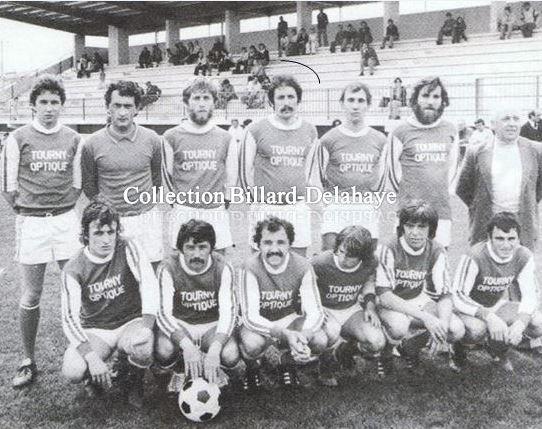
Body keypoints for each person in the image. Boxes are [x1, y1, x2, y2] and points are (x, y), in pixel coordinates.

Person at [1, 75, 83, 388]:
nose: (49, 108)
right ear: (32, 105)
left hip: (65, 221)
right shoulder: (18, 138)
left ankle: (82, 350)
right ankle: (27, 359)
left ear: (62, 105)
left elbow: (77, 184)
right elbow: (9, 188)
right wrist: (27, 210)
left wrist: (63, 206)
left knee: (76, 288)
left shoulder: (74, 138)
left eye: (54, 102)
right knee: (32, 293)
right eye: (43, 102)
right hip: (32, 223)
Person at [61, 199, 158, 407]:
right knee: (72, 370)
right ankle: (92, 378)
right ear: (86, 234)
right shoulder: (74, 267)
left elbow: (149, 284)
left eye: (110, 232)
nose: (106, 239)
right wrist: (92, 358)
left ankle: (134, 380)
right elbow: (69, 317)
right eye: (98, 233)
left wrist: (147, 327)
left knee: (143, 345)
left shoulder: (128, 246)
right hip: (97, 328)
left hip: (129, 321)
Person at [239, 217, 333, 390]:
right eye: (267, 242)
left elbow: (315, 310)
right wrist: (286, 335)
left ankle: (286, 363)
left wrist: (303, 337)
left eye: (281, 242)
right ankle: (253, 368)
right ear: (257, 245)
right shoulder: (250, 267)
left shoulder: (303, 265)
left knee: (319, 339)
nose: (274, 249)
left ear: (290, 244)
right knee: (252, 344)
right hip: (260, 322)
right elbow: (250, 316)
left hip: (288, 317)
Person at [376, 200, 465, 374]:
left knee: (455, 329)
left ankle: (410, 348)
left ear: (431, 229)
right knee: (399, 326)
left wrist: (442, 327)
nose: (415, 232)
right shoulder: (388, 247)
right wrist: (426, 318)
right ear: (402, 227)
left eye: (422, 227)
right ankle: (385, 354)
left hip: (416, 299)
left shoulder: (437, 250)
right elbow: (385, 295)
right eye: (410, 226)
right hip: (389, 303)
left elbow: (445, 295)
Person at [81, 81, 163, 267]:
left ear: (137, 109)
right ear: (108, 108)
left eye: (128, 106)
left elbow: (157, 179)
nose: (122, 112)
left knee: (151, 276)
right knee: (114, 281)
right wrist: (110, 211)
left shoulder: (152, 139)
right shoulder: (92, 143)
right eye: (117, 105)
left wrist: (144, 205)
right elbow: (89, 186)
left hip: (146, 219)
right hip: (112, 222)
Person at [239, 75, 318, 256]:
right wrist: (256, 201)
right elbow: (245, 172)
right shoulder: (255, 129)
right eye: (280, 98)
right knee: (261, 261)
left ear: (298, 100)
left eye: (291, 97)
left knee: (298, 260)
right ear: (271, 102)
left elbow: (309, 171)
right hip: (266, 207)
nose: (286, 102)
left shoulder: (310, 130)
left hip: (296, 207)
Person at [452, 212, 542, 371]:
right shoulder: (475, 255)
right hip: (468, 309)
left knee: (537, 323)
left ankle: (497, 349)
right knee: (476, 330)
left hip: (495, 304)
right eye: (500, 238)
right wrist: (488, 316)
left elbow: (530, 296)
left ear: (518, 239)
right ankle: (458, 350)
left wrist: (520, 324)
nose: (506, 245)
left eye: (511, 239)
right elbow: (457, 295)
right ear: (489, 237)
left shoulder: (523, 255)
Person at [155, 220, 239, 390]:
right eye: (190, 248)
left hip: (211, 325)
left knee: (230, 355)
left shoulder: (223, 267)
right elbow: (163, 313)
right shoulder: (168, 267)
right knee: (164, 350)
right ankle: (178, 369)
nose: (197, 254)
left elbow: (229, 313)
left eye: (202, 247)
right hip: (182, 324)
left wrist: (215, 349)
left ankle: (215, 367)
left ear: (212, 248)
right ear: (180, 249)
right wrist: (186, 346)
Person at [162, 78, 237, 254]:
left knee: (217, 264)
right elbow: (167, 176)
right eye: (196, 98)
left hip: (215, 211)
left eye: (206, 98)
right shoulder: (171, 136)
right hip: (184, 211)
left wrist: (226, 198)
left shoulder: (225, 137)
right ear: (186, 102)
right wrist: (177, 203)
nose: (202, 104)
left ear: (214, 102)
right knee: (183, 266)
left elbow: (232, 175)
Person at [386, 77, 459, 248]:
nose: (430, 102)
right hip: (408, 212)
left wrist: (437, 192)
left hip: (440, 211)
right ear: (415, 99)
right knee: (406, 265)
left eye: (436, 97)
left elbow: (453, 168)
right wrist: (410, 197)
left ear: (443, 101)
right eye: (425, 96)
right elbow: (391, 172)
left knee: (439, 262)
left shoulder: (451, 130)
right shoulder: (400, 131)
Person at [456, 109, 542, 251]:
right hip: (486, 224)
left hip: (523, 225)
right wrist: (480, 205)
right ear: (493, 125)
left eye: (516, 118)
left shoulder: (536, 150)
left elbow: (538, 187)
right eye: (506, 119)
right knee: (485, 270)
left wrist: (529, 200)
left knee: (522, 270)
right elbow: (463, 188)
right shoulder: (476, 151)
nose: (512, 124)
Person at [314, 82, 387, 251]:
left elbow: (383, 176)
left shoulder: (380, 139)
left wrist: (375, 202)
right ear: (342, 104)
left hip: (366, 208)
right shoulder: (328, 139)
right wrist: (326, 205)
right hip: (337, 207)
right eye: (351, 100)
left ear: (368, 105)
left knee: (367, 266)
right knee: (330, 263)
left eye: (361, 101)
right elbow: (315, 177)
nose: (355, 106)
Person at [313, 226, 386, 386]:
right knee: (331, 331)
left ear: (363, 256)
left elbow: (369, 283)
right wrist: (315, 309)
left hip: (350, 309)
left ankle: (345, 351)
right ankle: (325, 366)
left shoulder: (370, 262)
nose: (343, 258)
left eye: (351, 256)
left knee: (377, 342)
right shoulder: (321, 262)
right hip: (326, 309)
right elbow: (305, 286)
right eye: (341, 251)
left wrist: (370, 306)